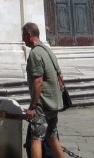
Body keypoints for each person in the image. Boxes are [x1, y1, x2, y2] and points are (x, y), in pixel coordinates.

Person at [22, 22, 66, 158]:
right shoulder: (48, 50)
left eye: (23, 36)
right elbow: (60, 77)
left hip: (43, 104)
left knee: (36, 138)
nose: (23, 40)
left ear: (29, 35)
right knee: (52, 137)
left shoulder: (35, 53)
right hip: (54, 102)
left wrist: (32, 107)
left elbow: (38, 82)